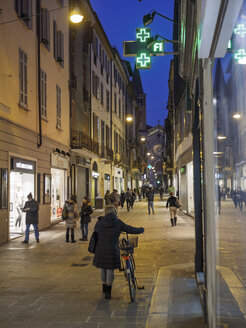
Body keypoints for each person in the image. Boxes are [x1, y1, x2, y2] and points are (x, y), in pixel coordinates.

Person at [92, 205, 144, 299]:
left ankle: (104, 287)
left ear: (105, 211)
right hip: (112, 248)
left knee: (103, 268)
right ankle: (108, 291)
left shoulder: (100, 221)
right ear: (115, 212)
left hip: (101, 248)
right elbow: (129, 229)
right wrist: (141, 229)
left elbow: (95, 232)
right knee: (110, 269)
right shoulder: (117, 222)